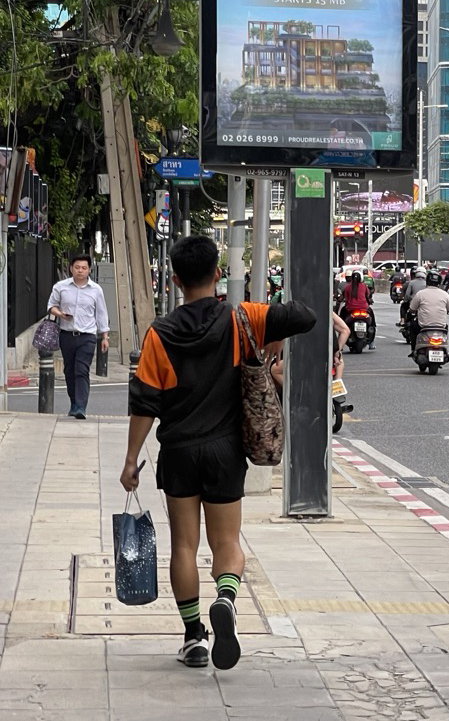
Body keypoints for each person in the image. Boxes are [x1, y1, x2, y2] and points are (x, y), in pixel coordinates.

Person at [120, 235, 316, 670]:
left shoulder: (160, 334)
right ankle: (226, 598)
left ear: (174, 279)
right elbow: (305, 316)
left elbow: (144, 404)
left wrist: (131, 460)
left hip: (179, 453)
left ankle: (193, 637)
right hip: (226, 450)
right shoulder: (243, 317)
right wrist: (271, 334)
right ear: (217, 274)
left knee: (184, 546)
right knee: (227, 542)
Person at [46, 254, 110, 419]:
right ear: (71, 268)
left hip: (87, 336)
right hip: (66, 335)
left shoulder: (96, 290)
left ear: (89, 270)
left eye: (84, 268)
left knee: (82, 370)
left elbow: (101, 314)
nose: (80, 271)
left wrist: (105, 337)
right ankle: (74, 402)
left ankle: (81, 406)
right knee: (69, 371)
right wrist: (60, 314)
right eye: (77, 267)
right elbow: (51, 306)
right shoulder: (61, 287)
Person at [406, 269, 449, 353]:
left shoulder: (420, 294)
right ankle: (444, 349)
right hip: (441, 326)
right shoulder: (445, 294)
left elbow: (412, 308)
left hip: (423, 325)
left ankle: (414, 349)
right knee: (446, 328)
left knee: (412, 326)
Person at [340, 271, 375, 349]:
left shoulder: (347, 287)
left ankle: (340, 341)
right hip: (364, 309)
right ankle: (372, 342)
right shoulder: (364, 286)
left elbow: (345, 298)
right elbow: (368, 296)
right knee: (372, 322)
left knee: (341, 320)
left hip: (350, 309)